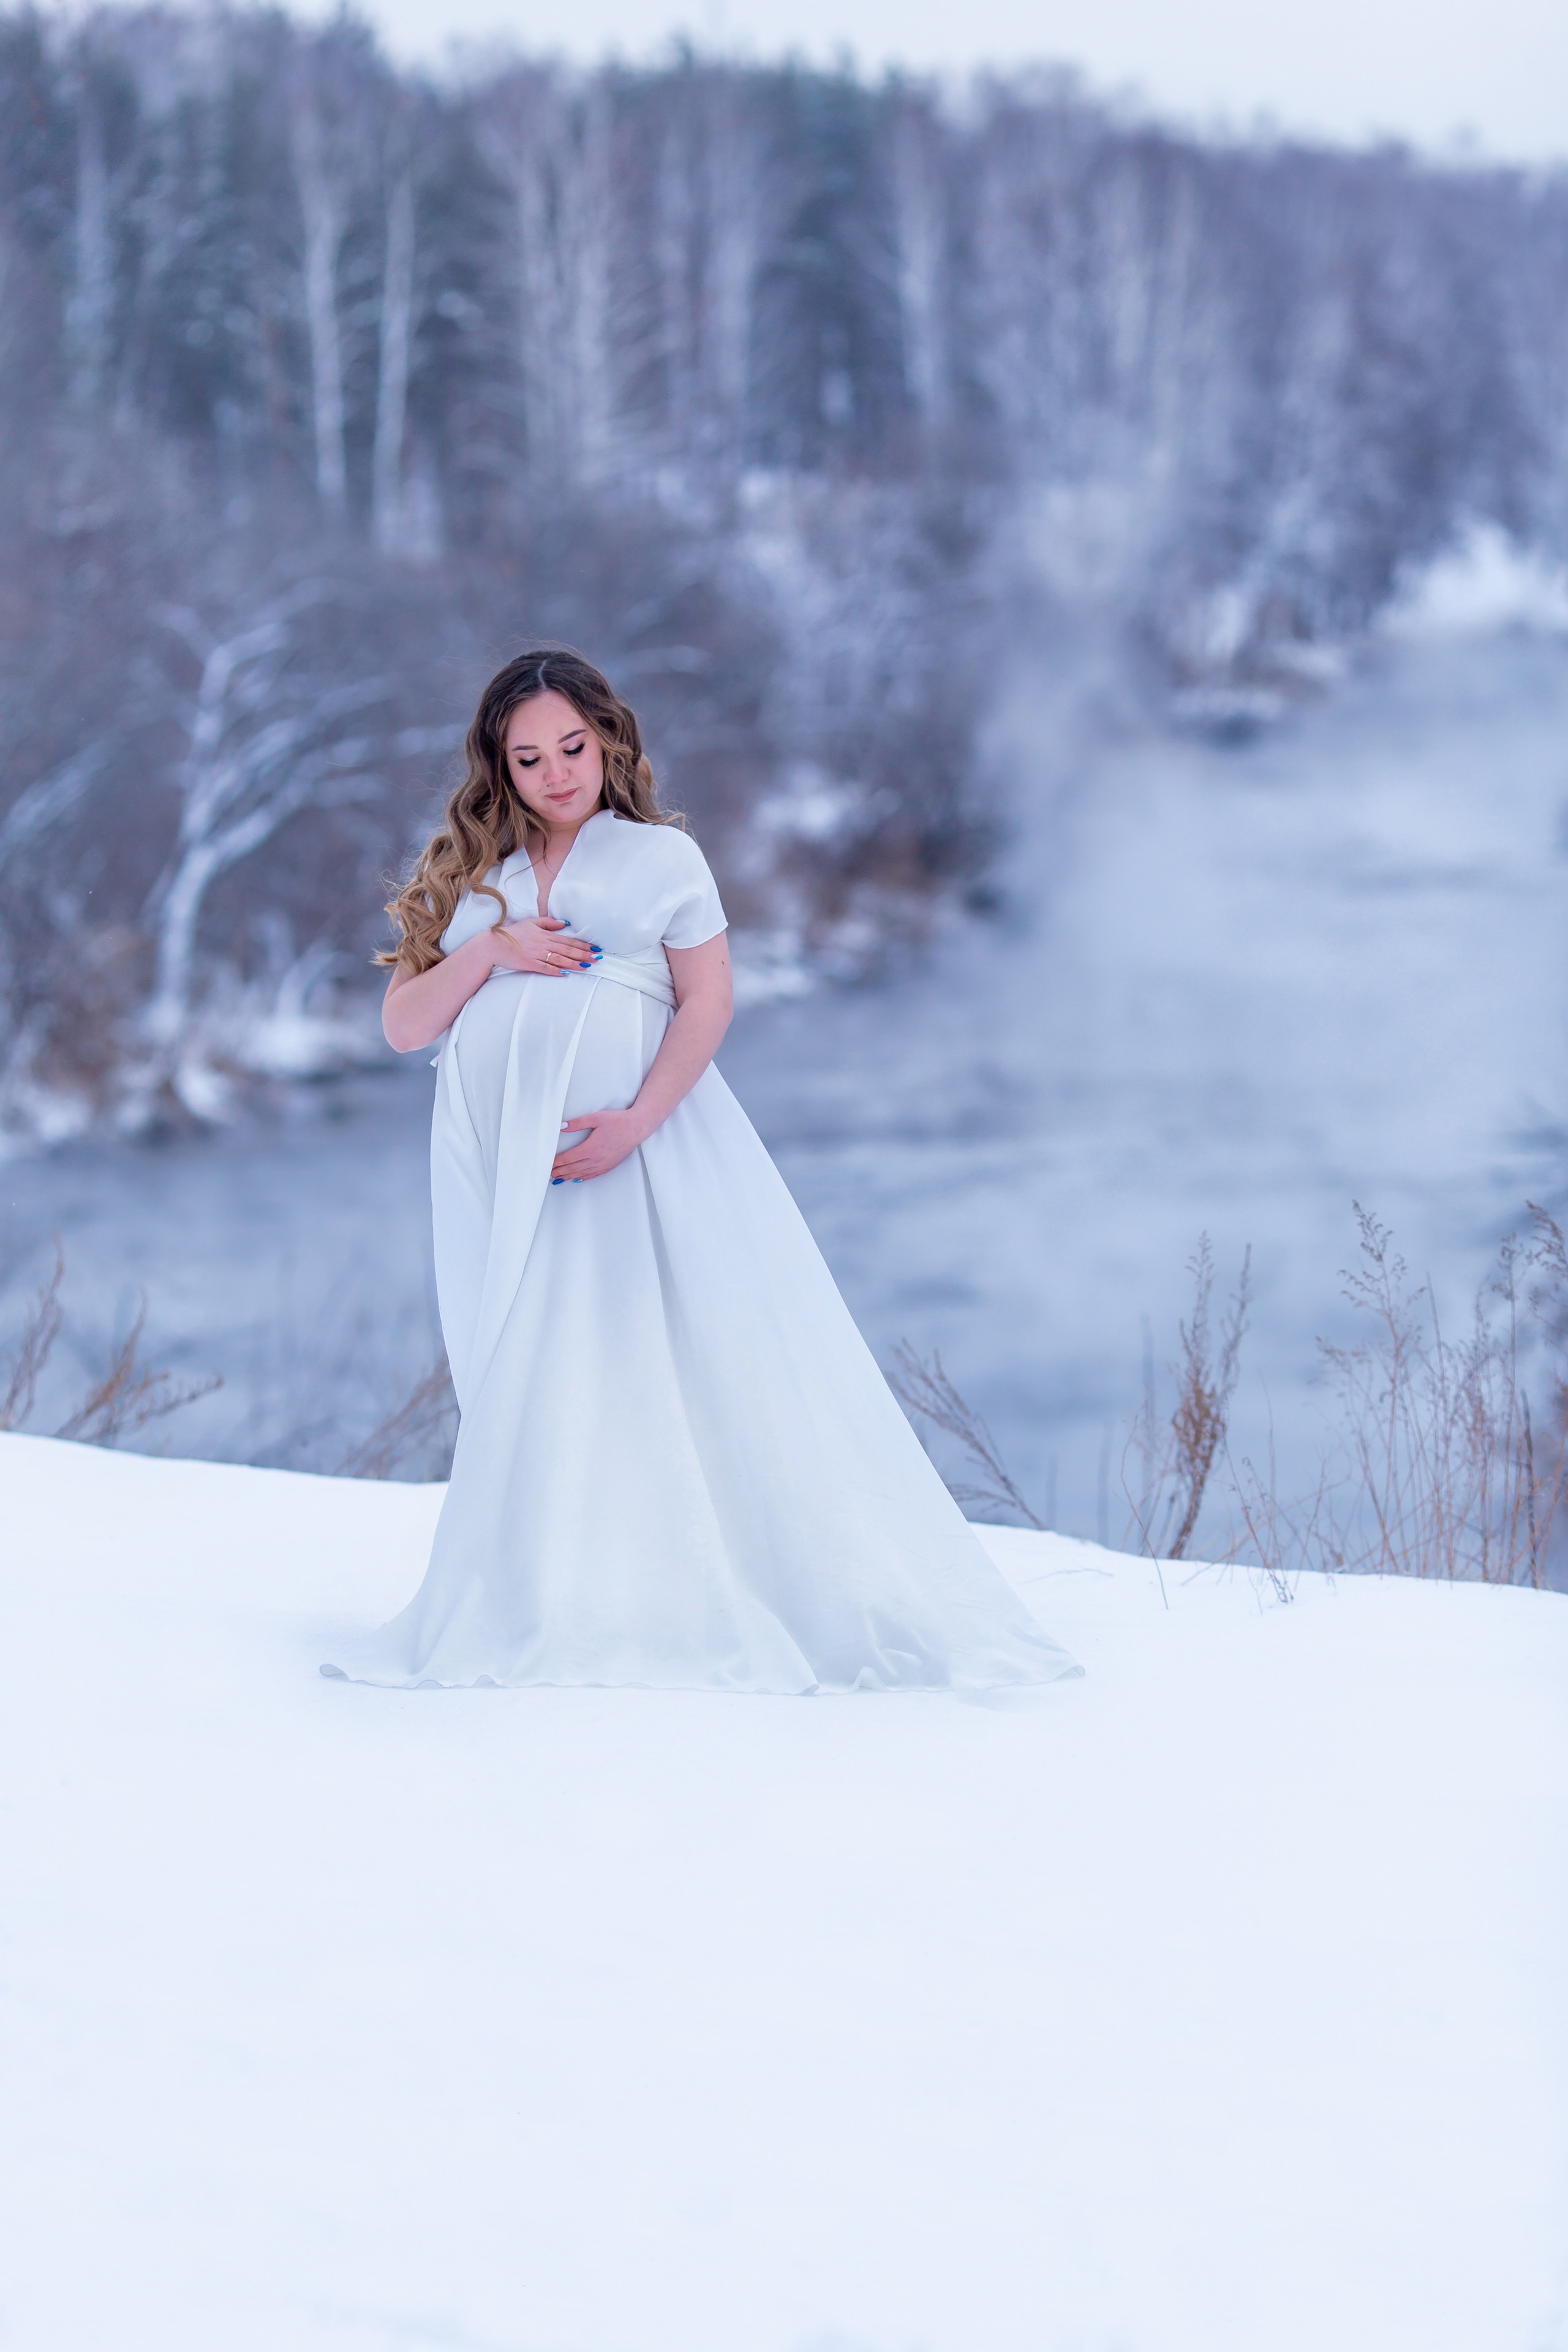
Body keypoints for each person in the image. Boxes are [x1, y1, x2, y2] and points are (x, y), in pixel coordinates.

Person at [322, 649, 1079, 1694]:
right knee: (526, 1364)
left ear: (609, 739)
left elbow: (709, 1001)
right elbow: (407, 1028)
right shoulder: (475, 876)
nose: (556, 774)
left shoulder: (663, 860)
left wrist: (638, 1120)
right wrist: (490, 955)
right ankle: (543, 1593)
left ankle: (664, 1594)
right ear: (500, 764)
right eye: (529, 756)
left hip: (629, 1149)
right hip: (500, 1167)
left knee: (638, 1353)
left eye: (573, 748)